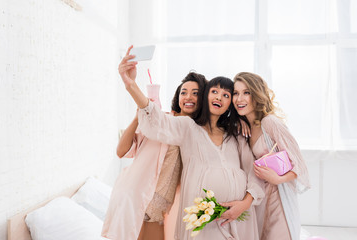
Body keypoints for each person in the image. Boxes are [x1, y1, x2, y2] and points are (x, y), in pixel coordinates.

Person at [117, 46, 264, 240]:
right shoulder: (187, 128)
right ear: (207, 96)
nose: (219, 97)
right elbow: (156, 120)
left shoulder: (236, 135)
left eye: (226, 95)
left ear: (230, 104)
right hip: (201, 226)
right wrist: (131, 85)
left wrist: (245, 204)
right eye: (214, 91)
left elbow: (254, 171)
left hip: (236, 221)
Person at [101, 59, 207, 239]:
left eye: (195, 93)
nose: (188, 97)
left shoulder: (196, 131)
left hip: (157, 209)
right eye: (184, 92)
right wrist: (137, 116)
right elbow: (121, 151)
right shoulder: (159, 120)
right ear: (178, 97)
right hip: (136, 198)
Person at [232, 72, 310, 240]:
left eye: (246, 92)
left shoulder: (270, 123)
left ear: (257, 94)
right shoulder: (245, 127)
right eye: (235, 93)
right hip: (260, 199)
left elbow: (300, 164)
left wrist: (278, 179)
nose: (239, 99)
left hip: (279, 199)